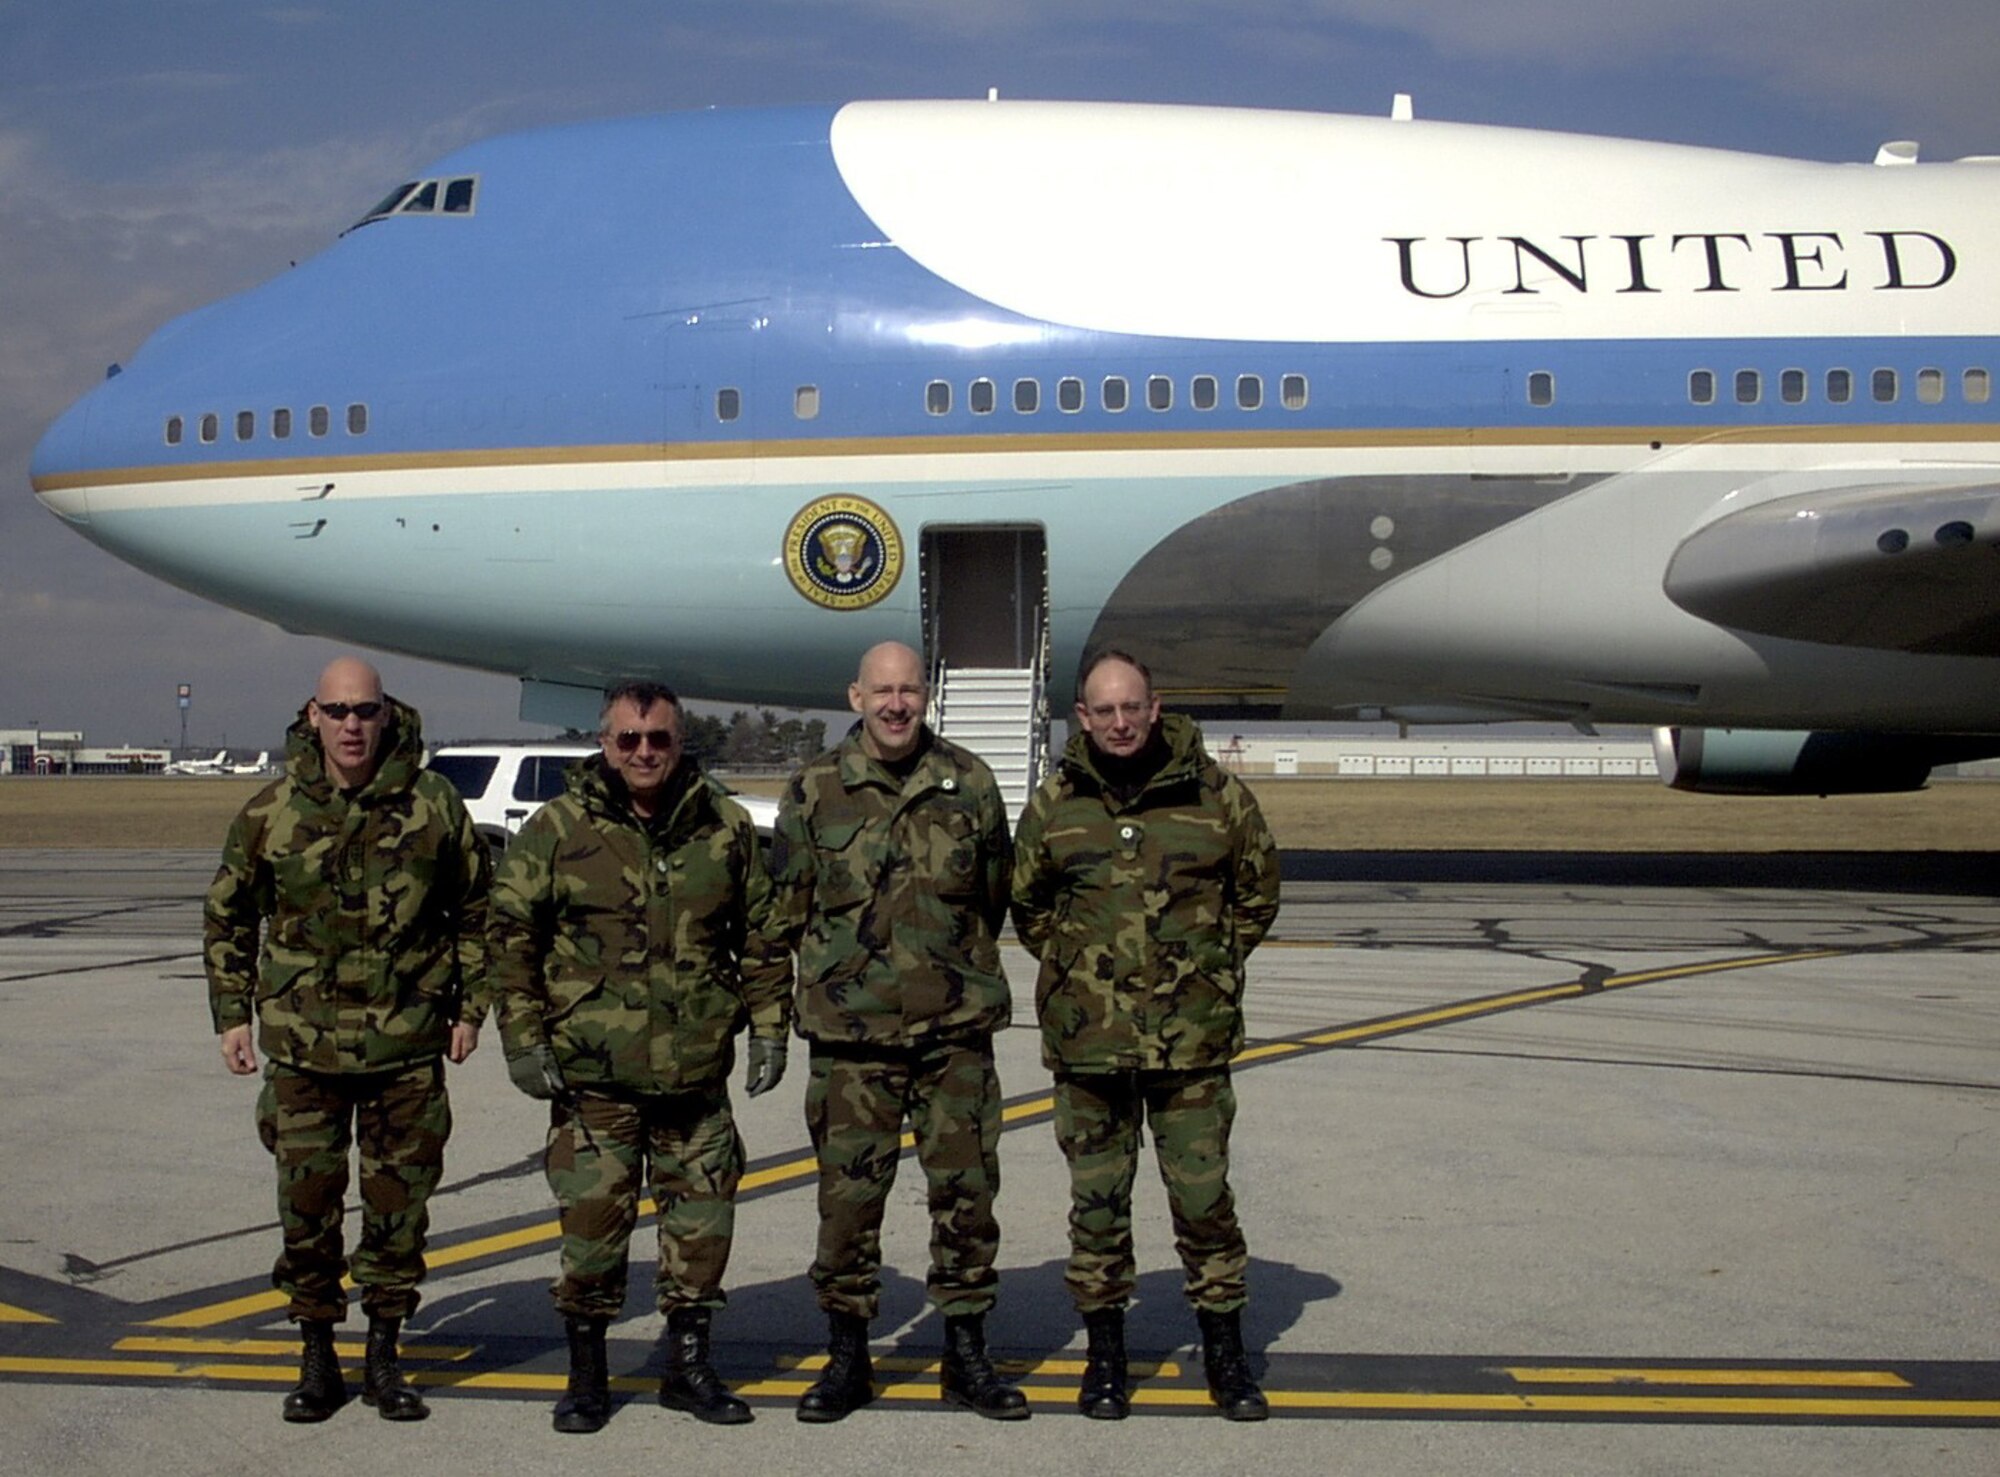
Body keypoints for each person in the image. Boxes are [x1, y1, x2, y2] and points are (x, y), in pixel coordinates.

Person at [489, 680, 789, 1434]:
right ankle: (587, 1375)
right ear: (605, 743)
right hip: (596, 1082)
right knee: (592, 1231)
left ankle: (689, 1368)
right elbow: (511, 937)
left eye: (659, 739)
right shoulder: (559, 829)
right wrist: (523, 1037)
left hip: (695, 1077)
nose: (644, 752)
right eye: (629, 739)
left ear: (680, 743)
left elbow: (761, 934)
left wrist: (770, 1026)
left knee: (702, 1230)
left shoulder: (723, 827)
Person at [204, 656, 489, 1425]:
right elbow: (229, 915)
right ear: (314, 715)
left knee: (399, 1210)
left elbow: (475, 909)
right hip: (305, 1052)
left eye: (365, 710)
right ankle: (318, 1356)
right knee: (307, 1210)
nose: (352, 725)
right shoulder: (272, 811)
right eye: (337, 711)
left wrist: (470, 1007)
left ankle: (385, 1356)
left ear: (386, 714)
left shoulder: (432, 805)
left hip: (406, 1047)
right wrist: (231, 1014)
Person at [1010, 649, 1281, 1422]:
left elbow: (1257, 893)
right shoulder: (1056, 804)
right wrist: (1080, 975)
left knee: (1204, 1203)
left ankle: (1226, 1354)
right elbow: (1029, 905)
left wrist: (1206, 968)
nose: (1121, 722)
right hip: (1089, 1047)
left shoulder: (1216, 796)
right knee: (1097, 1208)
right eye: (1105, 710)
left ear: (1155, 708)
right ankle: (1105, 1356)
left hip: (1191, 1046)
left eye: (1133, 707)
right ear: (1083, 717)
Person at [763, 640, 1028, 1423]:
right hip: (853, 1043)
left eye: (909, 689)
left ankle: (966, 1354)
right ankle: (847, 1356)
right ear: (856, 697)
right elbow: (784, 911)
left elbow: (994, 892)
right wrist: (773, 1019)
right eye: (882, 691)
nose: (896, 704)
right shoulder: (815, 789)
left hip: (954, 1036)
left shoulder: (970, 782)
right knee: (848, 1206)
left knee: (967, 1199)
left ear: (925, 695)